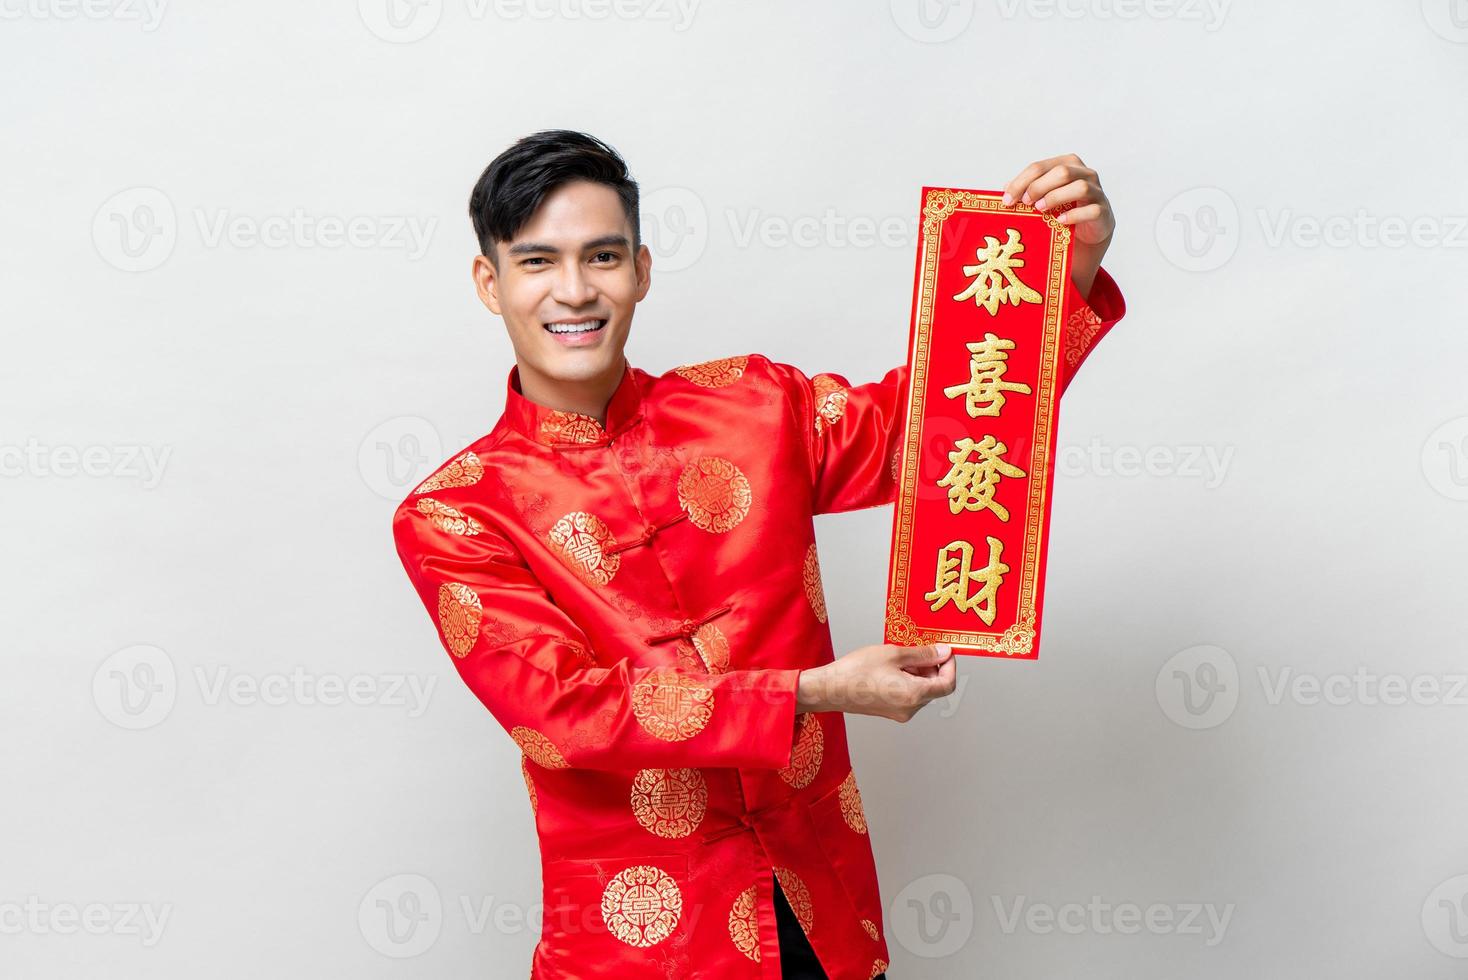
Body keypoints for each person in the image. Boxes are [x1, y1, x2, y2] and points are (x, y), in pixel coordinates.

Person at [391, 130, 1124, 979]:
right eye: (537, 262)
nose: (575, 290)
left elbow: (933, 437)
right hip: (638, 949)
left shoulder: (752, 404)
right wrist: (816, 692)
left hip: (825, 909)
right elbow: (569, 714)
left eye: (601, 256)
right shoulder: (457, 512)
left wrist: (1060, 272)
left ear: (642, 269)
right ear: (492, 282)